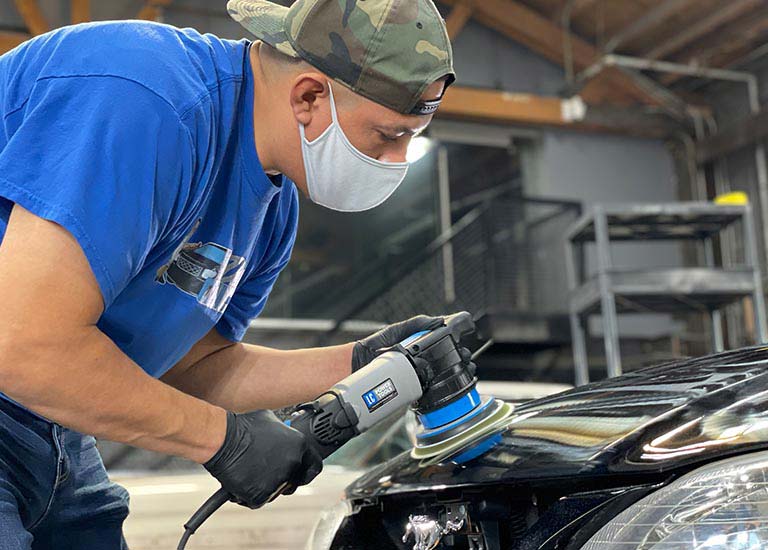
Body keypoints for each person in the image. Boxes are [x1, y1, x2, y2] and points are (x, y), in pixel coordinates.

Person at [0, 0, 455, 546]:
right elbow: (24, 345)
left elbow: (193, 364)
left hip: (52, 424)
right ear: (309, 96)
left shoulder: (272, 209)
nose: (398, 159)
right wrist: (222, 440)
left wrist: (359, 362)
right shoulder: (145, 99)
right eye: (387, 135)